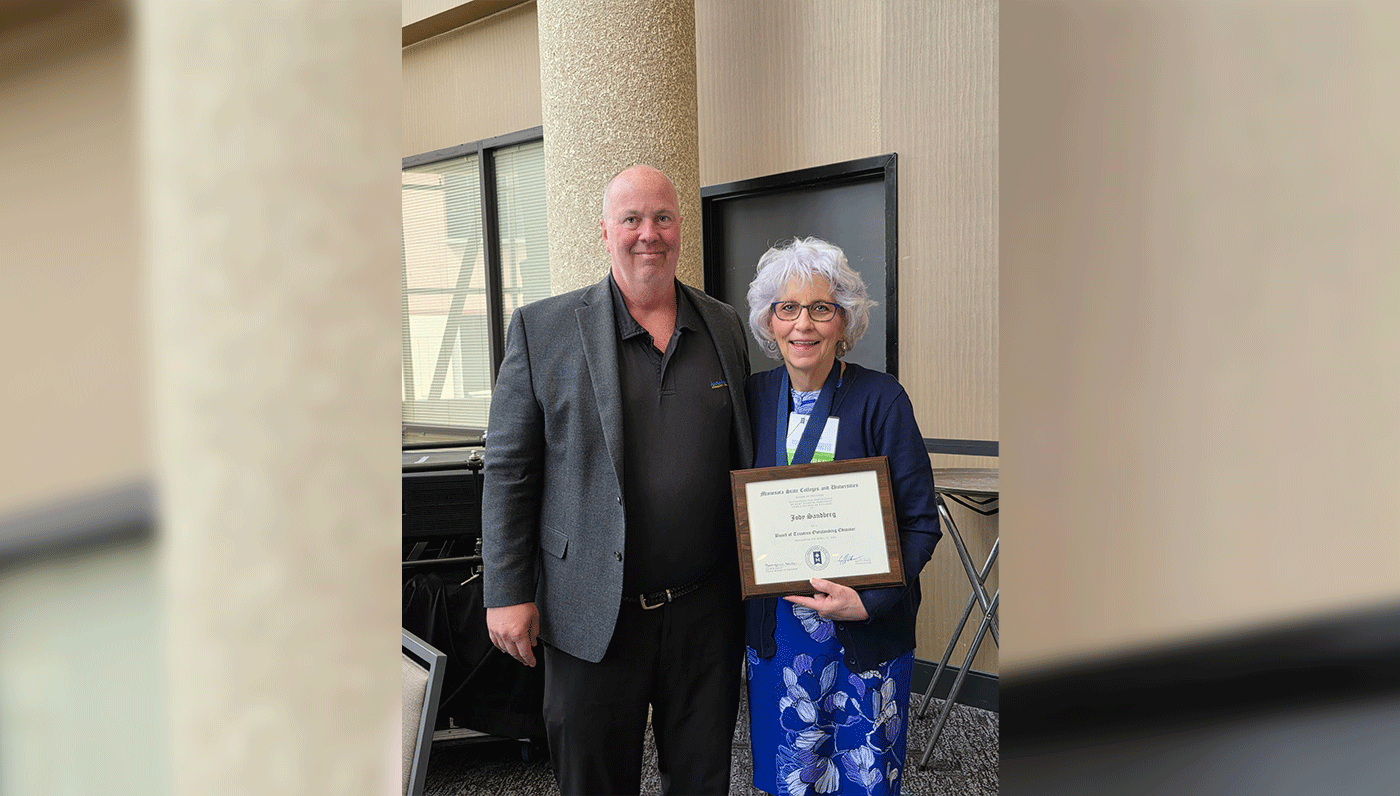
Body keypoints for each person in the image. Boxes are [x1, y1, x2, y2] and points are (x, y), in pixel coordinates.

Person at [481, 164, 755, 795]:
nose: (647, 234)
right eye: (631, 219)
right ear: (605, 231)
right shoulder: (542, 328)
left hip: (703, 614)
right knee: (594, 782)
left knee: (702, 778)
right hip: (588, 611)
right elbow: (509, 468)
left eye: (662, 217)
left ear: (680, 228)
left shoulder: (723, 326)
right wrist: (506, 588)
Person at [742, 236, 942, 796]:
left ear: (843, 320)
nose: (803, 325)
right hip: (780, 642)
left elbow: (922, 523)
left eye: (821, 308)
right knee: (791, 778)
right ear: (769, 320)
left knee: (863, 780)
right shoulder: (754, 399)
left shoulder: (882, 399)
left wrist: (869, 601)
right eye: (788, 308)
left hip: (865, 635)